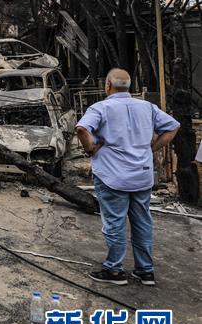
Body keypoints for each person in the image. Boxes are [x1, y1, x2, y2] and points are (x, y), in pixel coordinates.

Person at [75, 68, 179, 286]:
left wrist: (91, 149)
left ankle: (114, 270)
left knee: (114, 222)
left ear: (107, 86)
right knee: (142, 222)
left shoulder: (101, 108)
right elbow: (173, 126)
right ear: (128, 87)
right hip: (141, 176)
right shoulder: (147, 107)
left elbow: (82, 129)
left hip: (112, 176)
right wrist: (152, 148)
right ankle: (145, 271)